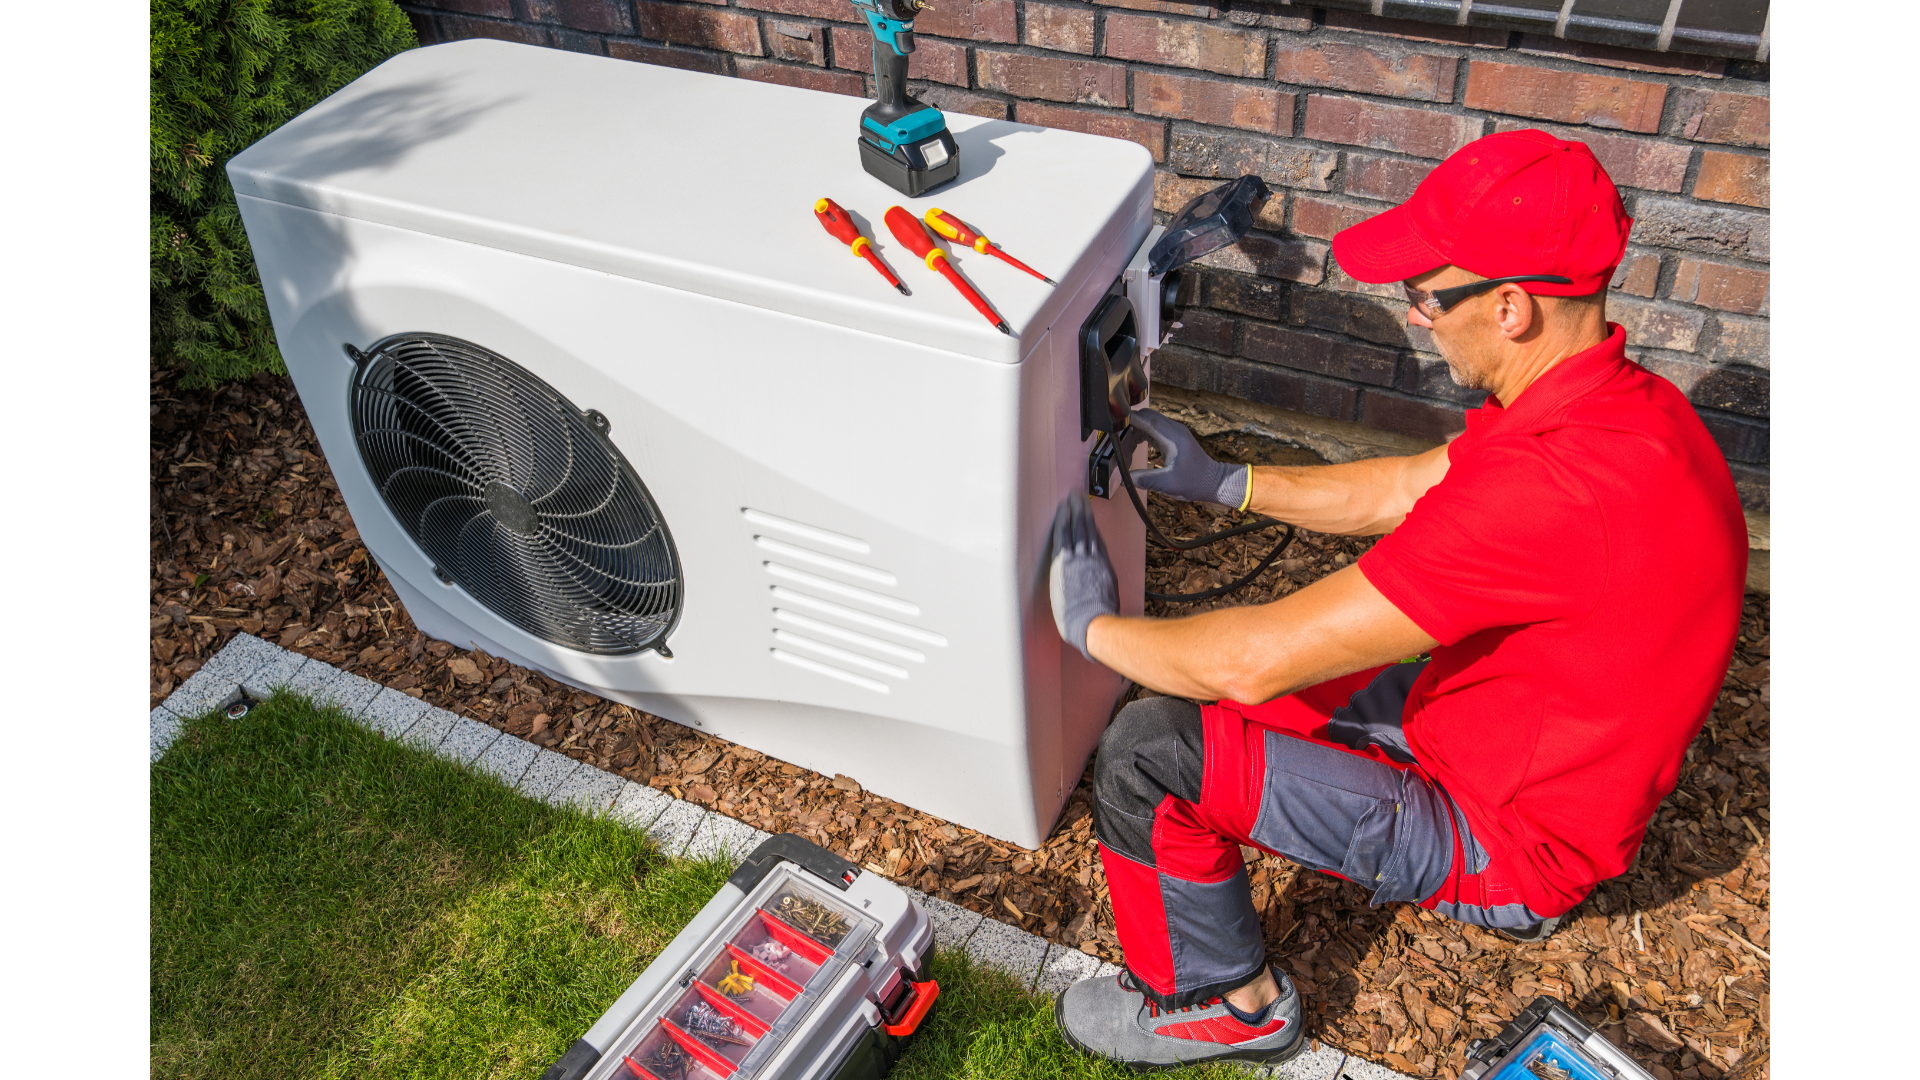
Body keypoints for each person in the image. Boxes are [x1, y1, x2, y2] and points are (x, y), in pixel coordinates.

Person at [1046, 129, 1748, 1071]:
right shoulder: (1622, 410)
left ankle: (1222, 1004)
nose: (1415, 318)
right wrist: (1227, 483)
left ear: (1510, 308)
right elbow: (1406, 486)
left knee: (1148, 751)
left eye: (1425, 295)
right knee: (1225, 699)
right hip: (1524, 750)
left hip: (1506, 838)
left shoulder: (1551, 492)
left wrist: (1089, 627)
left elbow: (1248, 662)